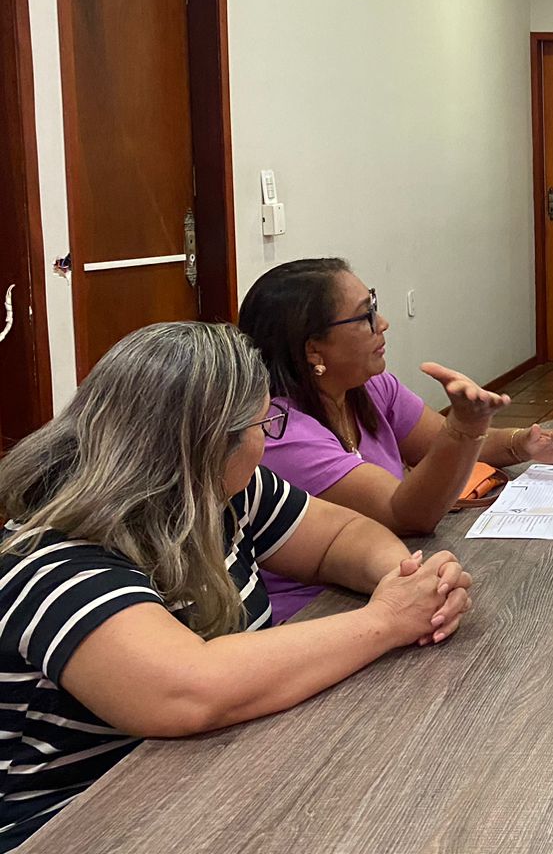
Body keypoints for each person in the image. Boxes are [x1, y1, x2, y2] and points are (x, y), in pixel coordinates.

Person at [0, 322, 472, 851]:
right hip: (77, 824)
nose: (266, 441)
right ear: (208, 442)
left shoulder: (218, 490)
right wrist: (387, 619)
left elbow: (341, 536)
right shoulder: (54, 559)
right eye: (262, 423)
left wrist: (405, 579)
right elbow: (189, 689)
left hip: (212, 779)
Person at [239, 258, 553, 619]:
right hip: (319, 610)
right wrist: (465, 426)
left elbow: (438, 445)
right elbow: (406, 515)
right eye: (365, 316)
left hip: (393, 576)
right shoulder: (281, 433)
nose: (383, 323)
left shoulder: (368, 388)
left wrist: (524, 443)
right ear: (312, 349)